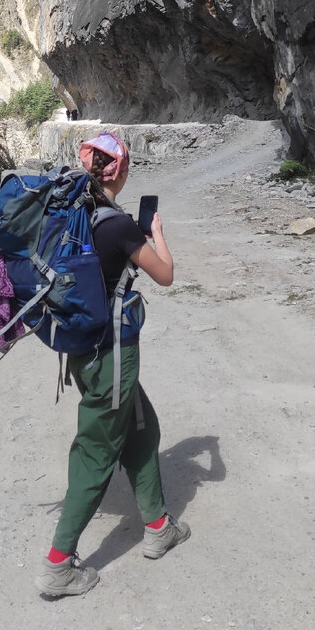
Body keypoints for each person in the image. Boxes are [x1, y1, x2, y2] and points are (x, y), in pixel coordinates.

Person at [35, 131, 190, 598]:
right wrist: (156, 235)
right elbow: (165, 274)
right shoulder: (119, 226)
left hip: (84, 352)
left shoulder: (73, 213)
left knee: (142, 427)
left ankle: (158, 526)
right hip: (112, 357)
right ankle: (58, 566)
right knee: (96, 452)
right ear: (119, 171)